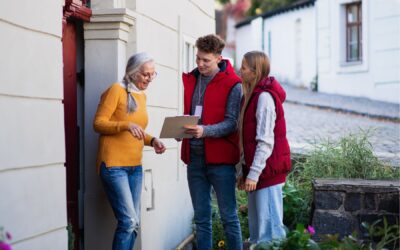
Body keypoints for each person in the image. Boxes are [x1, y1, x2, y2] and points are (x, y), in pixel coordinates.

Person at [93, 52, 166, 250]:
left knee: (135, 224)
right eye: (145, 74)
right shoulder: (116, 90)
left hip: (135, 167)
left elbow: (137, 130)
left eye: (153, 74)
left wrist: (153, 141)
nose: (150, 79)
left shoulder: (141, 96)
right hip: (113, 166)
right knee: (128, 222)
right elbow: (98, 123)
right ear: (133, 73)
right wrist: (124, 125)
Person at [181, 34, 243, 250]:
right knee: (201, 219)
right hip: (194, 158)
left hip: (221, 161)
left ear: (218, 58)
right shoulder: (191, 78)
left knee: (229, 217)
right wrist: (182, 130)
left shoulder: (233, 84)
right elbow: (189, 114)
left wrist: (204, 131)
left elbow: (231, 123)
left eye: (205, 60)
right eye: (198, 58)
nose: (200, 64)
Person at [237, 51, 291, 245]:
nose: (239, 70)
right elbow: (246, 140)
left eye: (243, 67)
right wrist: (245, 172)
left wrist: (254, 173)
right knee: (258, 233)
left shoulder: (264, 98)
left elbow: (265, 141)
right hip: (259, 174)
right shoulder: (250, 96)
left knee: (270, 235)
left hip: (266, 174)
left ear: (255, 71)